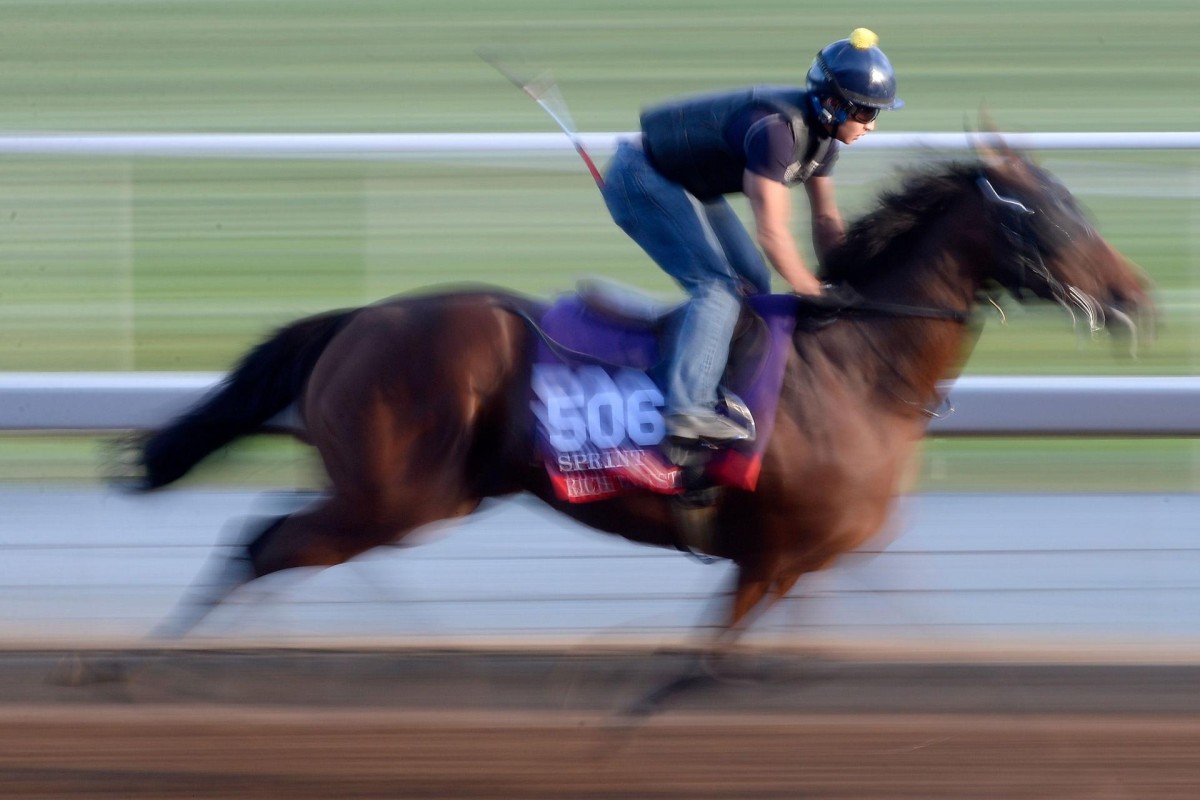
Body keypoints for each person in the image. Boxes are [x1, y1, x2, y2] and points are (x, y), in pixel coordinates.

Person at [601, 28, 903, 445]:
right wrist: (813, 291)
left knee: (755, 285)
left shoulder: (825, 141)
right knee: (719, 288)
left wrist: (847, 282)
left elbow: (826, 223)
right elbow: (773, 234)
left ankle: (716, 374)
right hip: (642, 177)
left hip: (686, 183)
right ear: (834, 105)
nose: (872, 126)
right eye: (867, 113)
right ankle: (687, 409)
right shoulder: (776, 131)